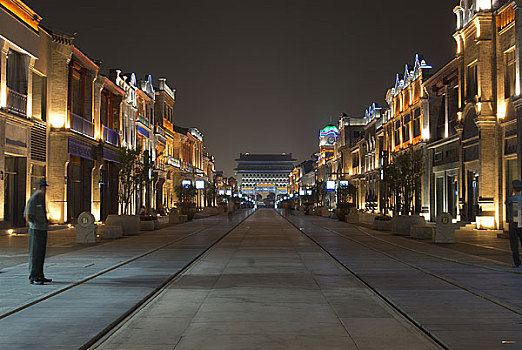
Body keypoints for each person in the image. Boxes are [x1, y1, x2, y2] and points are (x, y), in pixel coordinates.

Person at [24, 178, 52, 284]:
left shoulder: (41, 198)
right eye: (44, 187)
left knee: (41, 253)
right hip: (36, 230)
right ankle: (34, 276)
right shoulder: (34, 199)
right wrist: (35, 223)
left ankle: (40, 275)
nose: (45, 190)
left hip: (42, 229)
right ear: (40, 188)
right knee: (35, 253)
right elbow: (28, 215)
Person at [506, 180, 522, 268]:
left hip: (514, 222)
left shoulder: (511, 199)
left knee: (514, 244)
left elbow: (509, 210)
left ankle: (517, 262)